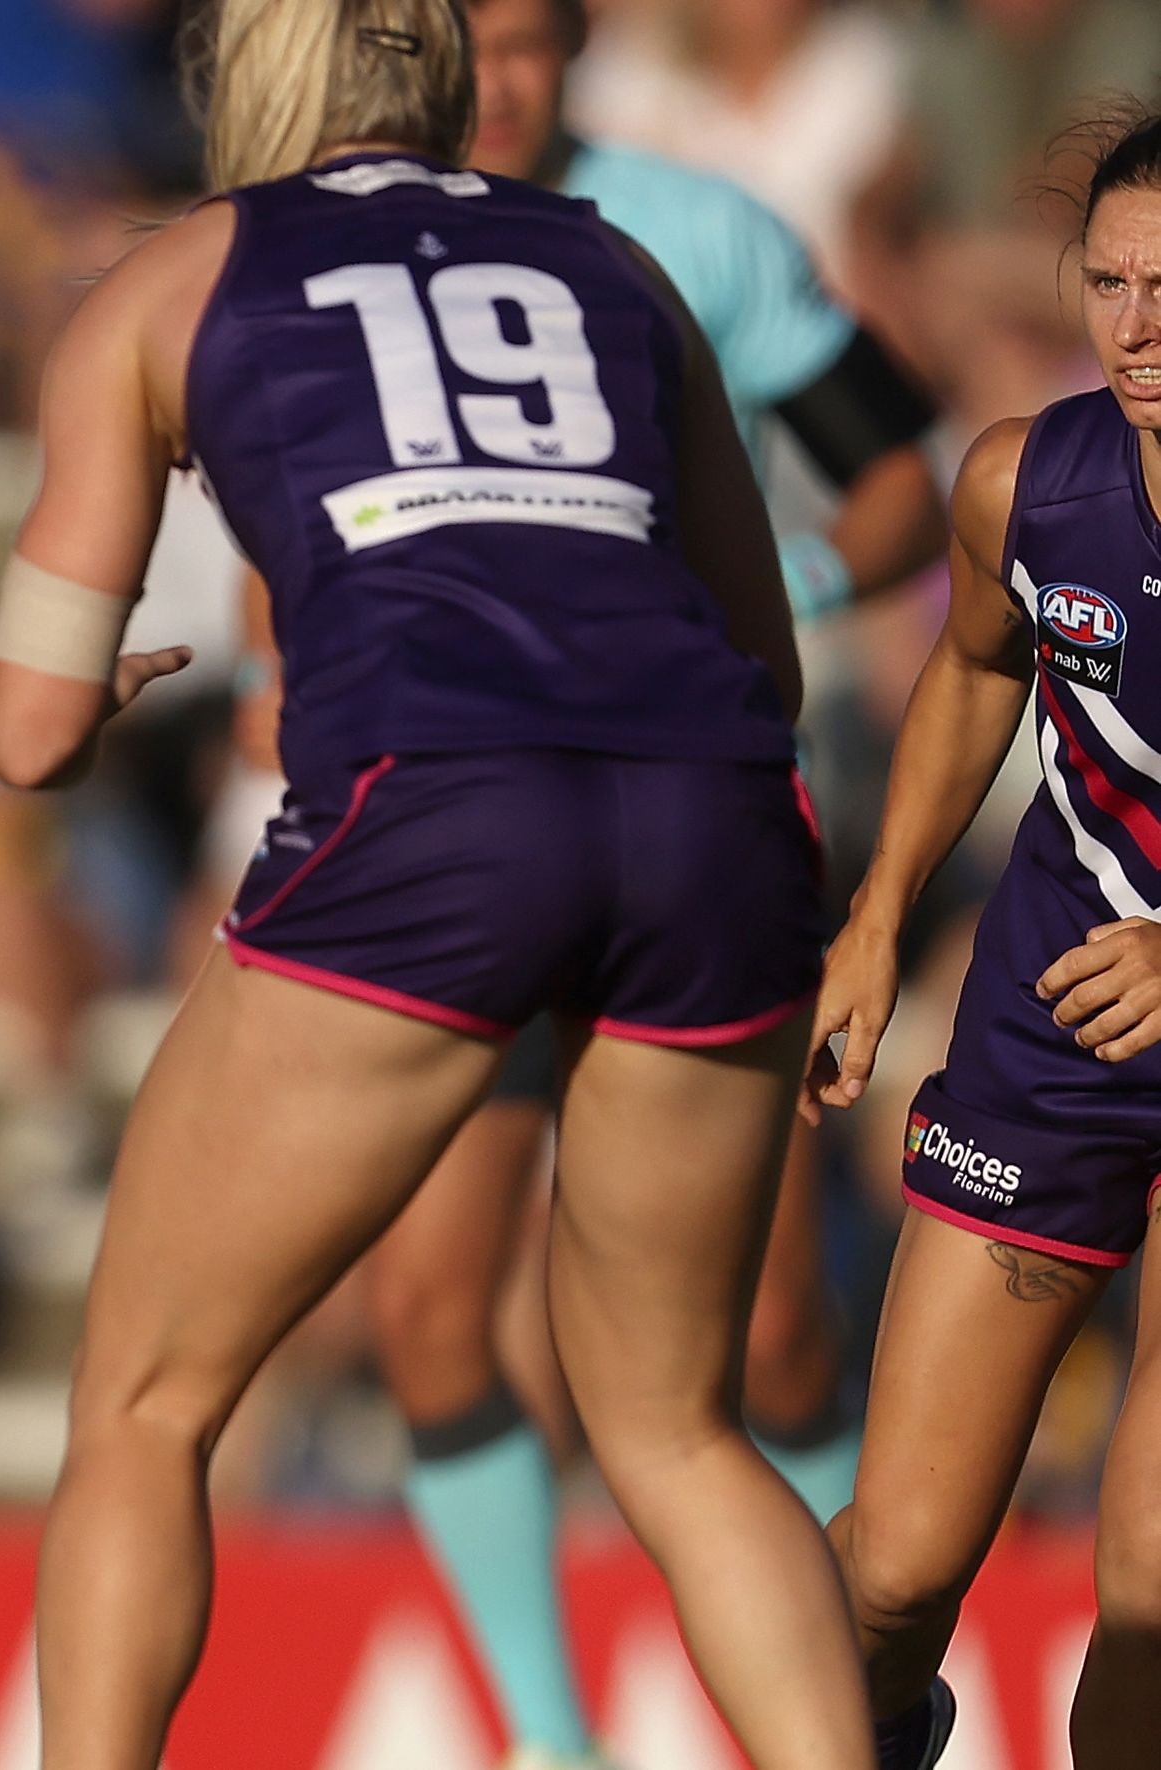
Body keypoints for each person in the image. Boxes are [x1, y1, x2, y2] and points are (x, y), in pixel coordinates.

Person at [0, 1, 874, 1764]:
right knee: (682, 1431)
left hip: (434, 803)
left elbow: (20, 734)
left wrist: (100, 704)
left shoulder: (168, 281)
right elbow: (752, 658)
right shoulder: (612, 256)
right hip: (710, 812)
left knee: (146, 1406)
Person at [329, 1, 948, 1762]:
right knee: (435, 1309)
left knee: (758, 1333)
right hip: (450, 826)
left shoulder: (700, 234)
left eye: (530, 41)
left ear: (580, 49)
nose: (497, 78)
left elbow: (899, 477)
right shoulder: (346, 247)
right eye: (468, 43)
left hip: (694, 814)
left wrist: (781, 587)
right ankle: (548, 1738)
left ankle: (865, 1689)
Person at [807, 108, 1161, 1770]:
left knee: (1155, 1592)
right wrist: (876, 915)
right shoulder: (1026, 482)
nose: (1136, 326)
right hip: (1047, 1047)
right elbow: (968, 666)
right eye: (1106, 281)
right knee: (886, 1573)